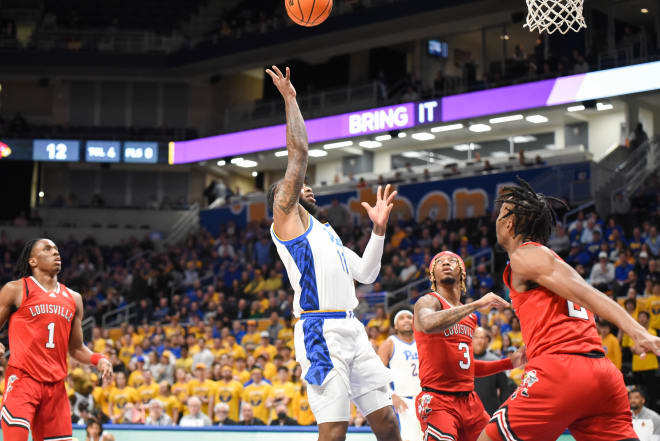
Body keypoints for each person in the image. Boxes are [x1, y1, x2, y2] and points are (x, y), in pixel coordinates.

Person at [265, 65, 401, 441]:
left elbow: (368, 274)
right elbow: (300, 153)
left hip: (352, 329)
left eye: (306, 186)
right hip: (319, 331)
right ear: (282, 201)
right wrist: (290, 99)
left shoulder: (326, 232)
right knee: (335, 429)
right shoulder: (287, 224)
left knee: (388, 422)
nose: (304, 187)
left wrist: (378, 231)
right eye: (294, 188)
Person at [478, 177, 660, 441]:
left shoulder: (526, 256)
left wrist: (638, 332)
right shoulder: (547, 262)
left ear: (509, 222)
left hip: (561, 372)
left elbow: (589, 294)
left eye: (500, 214)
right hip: (602, 376)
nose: (495, 220)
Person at [0, 238, 113, 441]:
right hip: (23, 380)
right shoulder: (15, 290)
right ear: (32, 261)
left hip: (56, 387)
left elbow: (76, 348)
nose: (55, 252)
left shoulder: (73, 298)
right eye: (47, 249)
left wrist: (99, 359)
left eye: (56, 249)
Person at [414, 251, 525, 441]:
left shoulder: (470, 318)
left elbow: (466, 367)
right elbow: (428, 323)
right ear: (432, 275)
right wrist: (476, 304)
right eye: (439, 262)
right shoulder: (428, 301)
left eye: (452, 261)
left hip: (470, 401)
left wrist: (508, 363)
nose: (446, 263)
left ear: (463, 273)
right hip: (438, 400)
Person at [377, 307, 423, 441]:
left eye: (409, 317)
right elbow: (378, 375)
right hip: (403, 401)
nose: (406, 320)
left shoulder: (422, 341)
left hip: (424, 399)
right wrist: (392, 396)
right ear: (395, 325)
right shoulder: (389, 344)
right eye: (401, 318)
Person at [473, 327, 514, 415]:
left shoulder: (495, 360)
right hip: (469, 411)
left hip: (490, 410)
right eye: (476, 337)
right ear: (471, 339)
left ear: (487, 340)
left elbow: (504, 389)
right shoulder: (464, 361)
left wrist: (502, 410)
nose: (479, 341)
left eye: (482, 337)